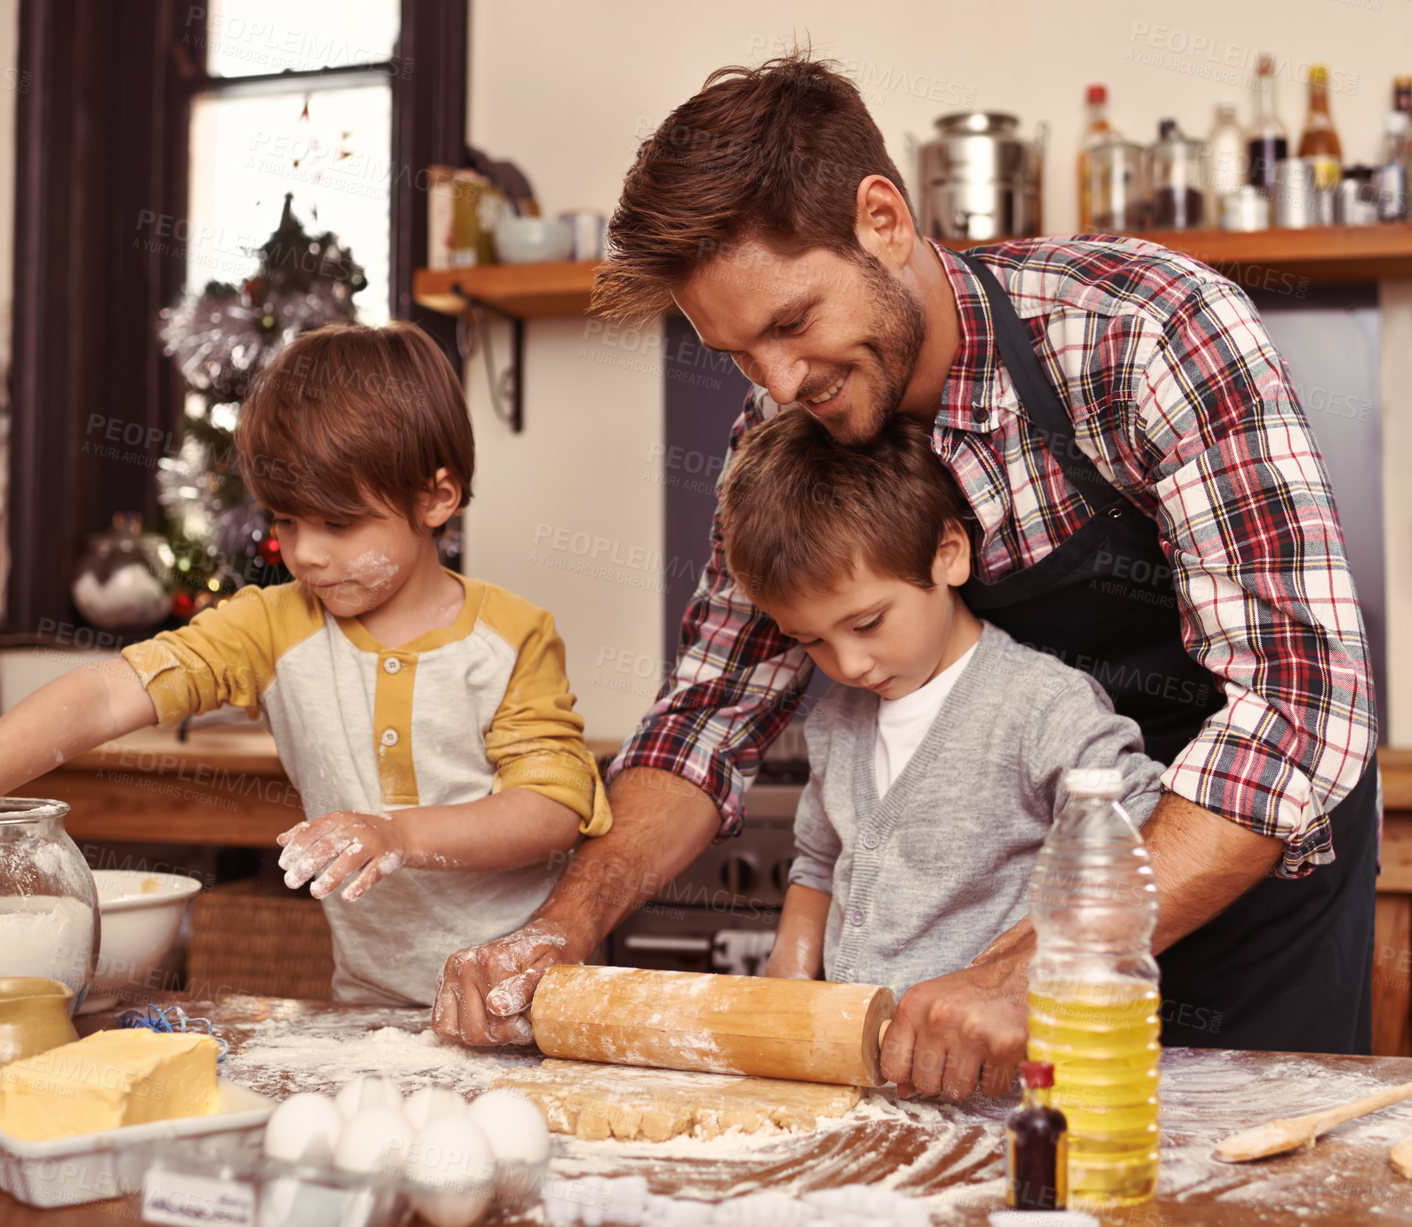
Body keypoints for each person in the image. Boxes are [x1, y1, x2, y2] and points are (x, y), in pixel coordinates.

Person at [433, 52, 1379, 1100]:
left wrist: (1035, 965)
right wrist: (565, 924)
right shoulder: (794, 417)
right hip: (997, 945)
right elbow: (707, 714)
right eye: (741, 357)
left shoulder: (1140, 332)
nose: (780, 385)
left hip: (1234, 896)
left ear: (882, 219)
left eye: (791, 324)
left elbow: (1298, 709)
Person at [0, 321, 611, 1007]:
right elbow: (105, 696)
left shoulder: (511, 637)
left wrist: (400, 834)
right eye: (286, 521)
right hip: (369, 1007)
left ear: (436, 497)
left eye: (338, 523)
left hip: (530, 996)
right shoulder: (274, 627)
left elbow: (549, 811)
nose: (306, 553)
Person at [716, 410, 1161, 992]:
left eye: (868, 623)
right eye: (811, 641)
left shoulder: (1042, 708)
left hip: (1001, 1070)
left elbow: (1137, 831)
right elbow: (819, 865)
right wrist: (789, 983)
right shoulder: (836, 726)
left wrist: (1019, 976)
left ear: (948, 553)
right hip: (862, 1062)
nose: (848, 665)